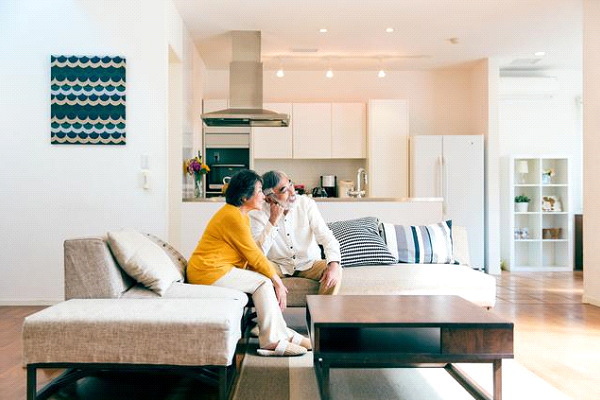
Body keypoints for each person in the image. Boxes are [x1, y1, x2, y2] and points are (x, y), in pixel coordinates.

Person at [187, 169, 310, 357]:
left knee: (264, 280)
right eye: (259, 191)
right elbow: (254, 255)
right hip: (208, 271)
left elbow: (252, 252)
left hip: (215, 269)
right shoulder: (233, 217)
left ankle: (284, 334)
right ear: (245, 197)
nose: (264, 196)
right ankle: (271, 341)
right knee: (263, 283)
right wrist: (277, 281)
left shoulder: (239, 215)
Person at [249, 170, 342, 297]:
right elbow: (258, 253)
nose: (292, 192)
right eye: (284, 190)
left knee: (336, 270)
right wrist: (272, 221)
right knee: (253, 269)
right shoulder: (257, 214)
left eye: (291, 184)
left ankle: (322, 309)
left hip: (309, 263)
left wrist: (334, 264)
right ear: (269, 198)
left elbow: (327, 237)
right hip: (278, 265)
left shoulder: (306, 204)